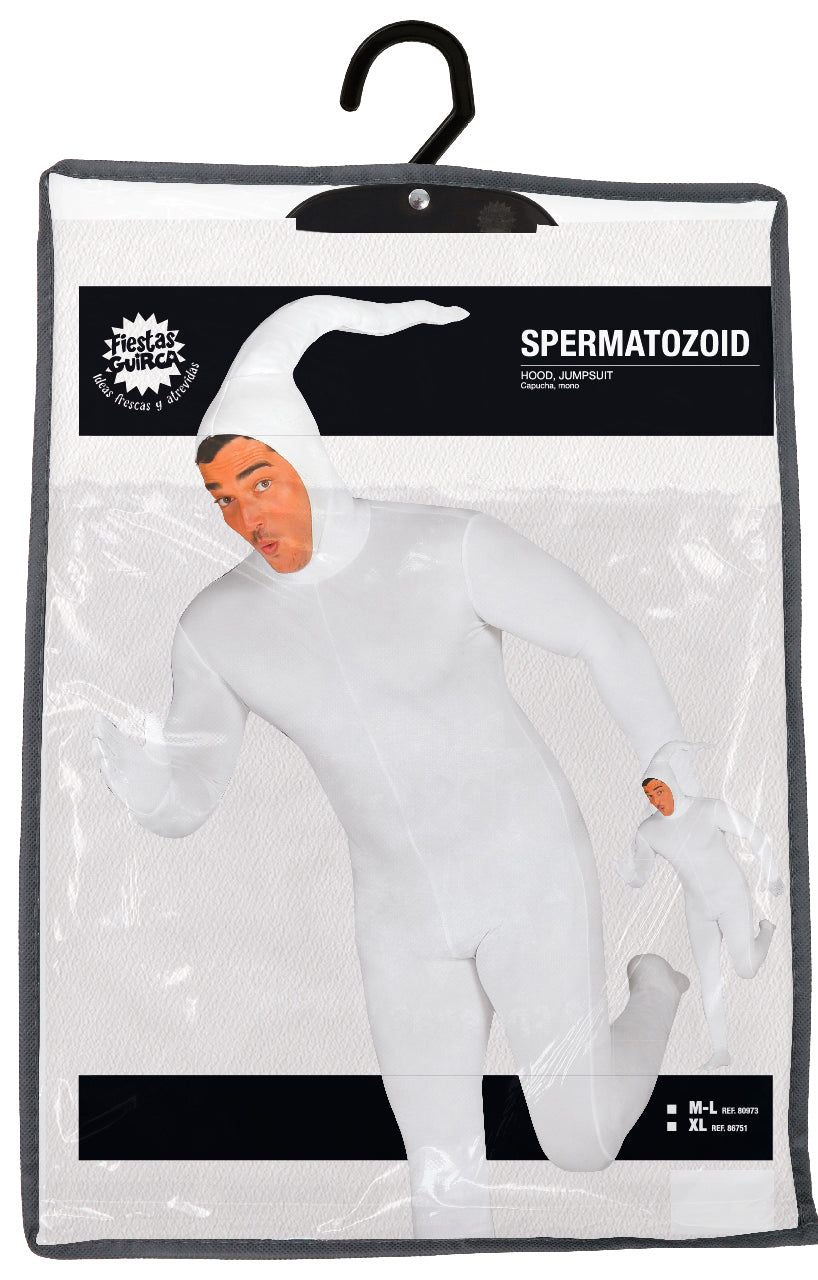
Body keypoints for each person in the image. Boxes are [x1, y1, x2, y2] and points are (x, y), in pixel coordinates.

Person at [93, 295, 692, 1240]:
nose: (247, 516)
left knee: (580, 1142)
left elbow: (603, 635)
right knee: (440, 1176)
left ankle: (655, 989)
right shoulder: (217, 625)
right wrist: (142, 786)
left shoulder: (444, 545)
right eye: (223, 500)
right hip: (400, 914)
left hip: (529, 872)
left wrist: (670, 762)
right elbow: (193, 789)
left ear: (307, 456)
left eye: (260, 481)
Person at [617, 741, 783, 1072]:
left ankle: (766, 930)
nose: (655, 800)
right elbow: (641, 876)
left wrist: (771, 875)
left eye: (659, 791)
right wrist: (629, 873)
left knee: (746, 969)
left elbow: (755, 835)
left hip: (732, 897)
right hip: (697, 909)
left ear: (671, 784)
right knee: (709, 978)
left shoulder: (709, 809)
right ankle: (720, 1051)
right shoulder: (649, 830)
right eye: (649, 796)